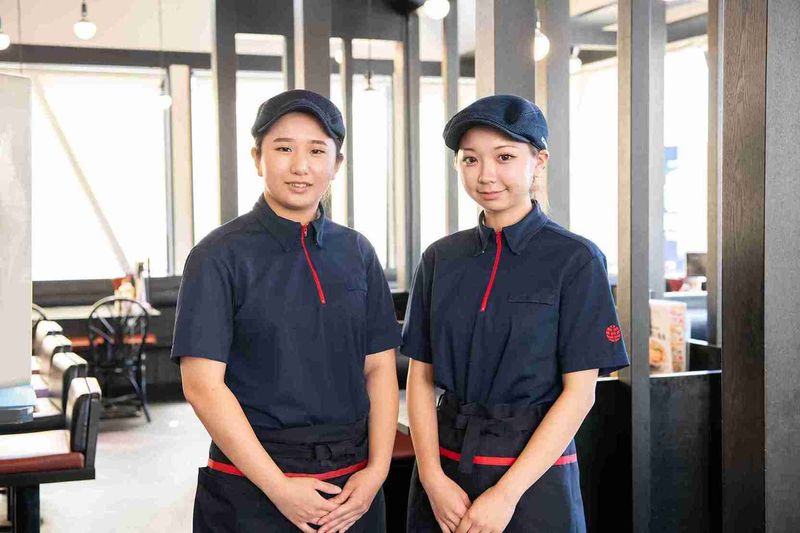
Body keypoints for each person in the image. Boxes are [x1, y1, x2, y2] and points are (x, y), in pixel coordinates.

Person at [172, 89, 401, 533]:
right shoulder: (217, 256)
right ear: (257, 159)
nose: (301, 166)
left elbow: (379, 367)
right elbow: (202, 386)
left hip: (353, 489)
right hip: (252, 486)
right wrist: (279, 488)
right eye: (283, 149)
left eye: (317, 151)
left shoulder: (357, 252)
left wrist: (376, 473)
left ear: (336, 164)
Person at [402, 94, 630, 532]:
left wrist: (506, 494)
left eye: (504, 157)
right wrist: (431, 477)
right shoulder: (440, 258)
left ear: (538, 161)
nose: (486, 174)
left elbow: (580, 394)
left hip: (533, 479)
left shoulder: (576, 259)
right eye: (470, 160)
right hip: (446, 475)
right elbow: (421, 377)